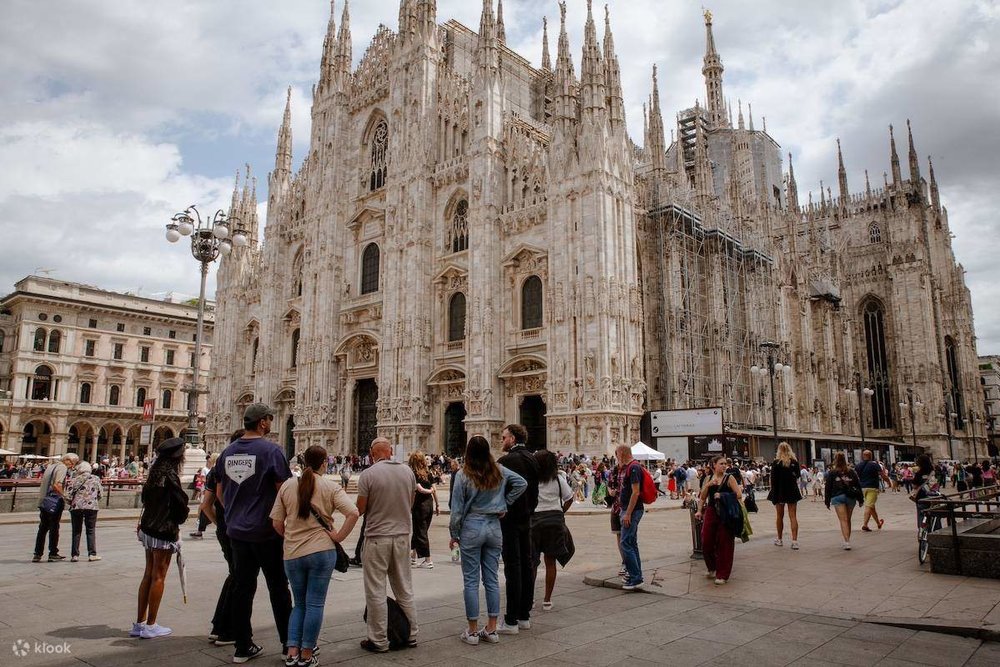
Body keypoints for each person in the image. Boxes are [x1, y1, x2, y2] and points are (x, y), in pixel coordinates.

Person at [214, 403, 293, 664]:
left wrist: (237, 515)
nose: (271, 423)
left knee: (242, 589)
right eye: (269, 419)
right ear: (262, 423)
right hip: (267, 532)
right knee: (278, 588)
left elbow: (220, 493)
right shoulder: (271, 451)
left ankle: (242, 646)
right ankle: (287, 644)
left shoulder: (226, 453)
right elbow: (285, 492)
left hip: (237, 533)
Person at [271, 445, 359, 666]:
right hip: (321, 551)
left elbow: (276, 523)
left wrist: (290, 537)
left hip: (292, 553)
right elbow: (353, 513)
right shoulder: (329, 486)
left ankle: (292, 652)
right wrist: (337, 537)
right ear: (324, 463)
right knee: (315, 604)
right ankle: (307, 654)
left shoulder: (288, 485)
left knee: (299, 604)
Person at [449, 435, 527, 645]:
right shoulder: (498, 470)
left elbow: (456, 510)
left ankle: (473, 632)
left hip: (472, 527)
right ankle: (492, 629)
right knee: (491, 580)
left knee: (471, 581)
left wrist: (454, 534)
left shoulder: (463, 474)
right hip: (494, 527)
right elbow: (522, 483)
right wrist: (504, 504)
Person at [356, 437, 419, 653]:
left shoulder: (368, 474)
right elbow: (410, 503)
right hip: (402, 536)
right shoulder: (407, 472)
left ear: (372, 454)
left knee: (376, 590)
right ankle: (412, 635)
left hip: (376, 538)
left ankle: (379, 640)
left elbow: (361, 508)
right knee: (404, 588)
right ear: (390, 451)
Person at [133, 438, 190, 639]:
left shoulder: (154, 474)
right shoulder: (170, 476)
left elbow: (145, 500)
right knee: (159, 576)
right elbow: (180, 506)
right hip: (163, 531)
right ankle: (151, 625)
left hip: (148, 529)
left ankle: (139, 623)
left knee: (148, 574)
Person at [496, 424, 540, 634]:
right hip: (528, 519)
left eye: (503, 437)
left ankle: (511, 620)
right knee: (527, 564)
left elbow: (495, 491)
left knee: (512, 568)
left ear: (512, 438)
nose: (501, 441)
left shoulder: (505, 461)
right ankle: (524, 616)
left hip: (510, 520)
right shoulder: (533, 458)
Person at [201, 437, 240, 646]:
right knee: (240, 577)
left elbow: (206, 505)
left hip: (227, 528)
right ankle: (227, 630)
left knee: (235, 575)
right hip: (242, 529)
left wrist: (220, 523)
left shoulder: (218, 468)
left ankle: (220, 625)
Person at [530, 449, 574, 611]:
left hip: (534, 522)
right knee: (550, 562)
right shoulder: (557, 480)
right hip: (553, 523)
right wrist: (560, 511)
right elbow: (569, 498)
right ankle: (547, 600)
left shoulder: (531, 480)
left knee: (532, 563)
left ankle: (530, 598)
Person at [695, 456, 743, 584]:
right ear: (713, 465)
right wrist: (699, 510)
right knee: (706, 540)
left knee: (725, 542)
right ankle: (712, 567)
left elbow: (738, 494)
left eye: (725, 464)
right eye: (721, 463)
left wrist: (722, 495)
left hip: (726, 512)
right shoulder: (708, 478)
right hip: (711, 510)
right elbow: (703, 497)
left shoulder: (729, 478)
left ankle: (723, 574)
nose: (724, 466)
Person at [33, 453, 79, 562]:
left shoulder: (51, 466)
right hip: (53, 502)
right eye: (72, 463)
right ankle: (53, 553)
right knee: (54, 528)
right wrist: (66, 496)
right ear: (67, 460)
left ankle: (37, 554)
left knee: (43, 528)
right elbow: (56, 485)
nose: (72, 466)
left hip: (44, 501)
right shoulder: (62, 467)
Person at [614, 443, 645, 591]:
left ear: (622, 453)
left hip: (631, 510)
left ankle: (635, 578)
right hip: (627, 509)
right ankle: (636, 575)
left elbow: (636, 492)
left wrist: (628, 513)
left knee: (625, 543)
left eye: (617, 453)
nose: (616, 456)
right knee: (631, 543)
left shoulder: (633, 467)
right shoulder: (630, 467)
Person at [824, 452, 863, 550]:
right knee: (848, 519)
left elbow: (828, 487)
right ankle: (847, 540)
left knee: (843, 520)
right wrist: (861, 499)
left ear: (835, 460)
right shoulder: (851, 471)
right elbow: (857, 485)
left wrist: (827, 501)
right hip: (850, 497)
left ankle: (846, 542)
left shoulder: (832, 472)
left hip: (838, 496)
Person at [767, 442, 802, 550]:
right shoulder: (794, 462)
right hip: (792, 491)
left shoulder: (776, 463)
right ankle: (794, 541)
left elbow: (773, 480)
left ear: (779, 451)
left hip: (780, 491)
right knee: (793, 516)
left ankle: (780, 539)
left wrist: (773, 494)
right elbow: (798, 476)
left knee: (779, 516)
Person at [408, 450, 439, 569]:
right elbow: (434, 489)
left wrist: (410, 506)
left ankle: (428, 559)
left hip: (419, 505)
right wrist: (437, 505)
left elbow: (418, 489)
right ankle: (413, 557)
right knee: (418, 530)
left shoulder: (414, 474)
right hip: (429, 504)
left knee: (421, 532)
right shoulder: (428, 473)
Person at [68, 461, 102, 562]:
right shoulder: (96, 479)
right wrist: (92, 500)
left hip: (76, 506)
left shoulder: (75, 479)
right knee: (90, 530)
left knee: (76, 531)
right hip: (91, 507)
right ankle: (92, 554)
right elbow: (100, 494)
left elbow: (68, 494)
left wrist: (72, 502)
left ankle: (75, 555)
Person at [856, 450, 889, 532]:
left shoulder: (858, 465)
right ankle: (865, 525)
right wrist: (888, 482)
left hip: (862, 488)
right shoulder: (874, 465)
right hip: (872, 488)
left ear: (863, 456)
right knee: (869, 506)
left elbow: (856, 477)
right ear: (871, 456)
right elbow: (883, 475)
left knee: (871, 507)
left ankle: (878, 523)